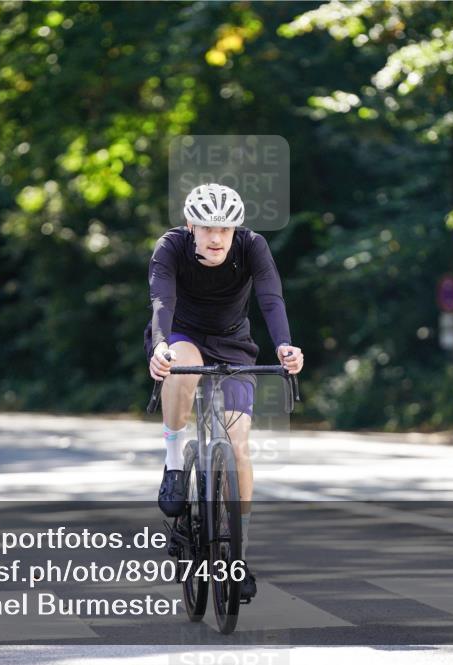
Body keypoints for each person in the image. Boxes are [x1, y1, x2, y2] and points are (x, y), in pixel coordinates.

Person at [144, 183, 304, 602]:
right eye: (208, 228)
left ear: (236, 229)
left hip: (234, 343)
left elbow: (271, 299)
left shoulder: (252, 247)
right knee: (182, 363)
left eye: (226, 229)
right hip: (181, 335)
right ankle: (175, 459)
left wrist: (285, 345)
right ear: (190, 226)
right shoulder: (171, 248)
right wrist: (160, 346)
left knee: (238, 448)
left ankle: (237, 554)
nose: (217, 238)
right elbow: (161, 302)